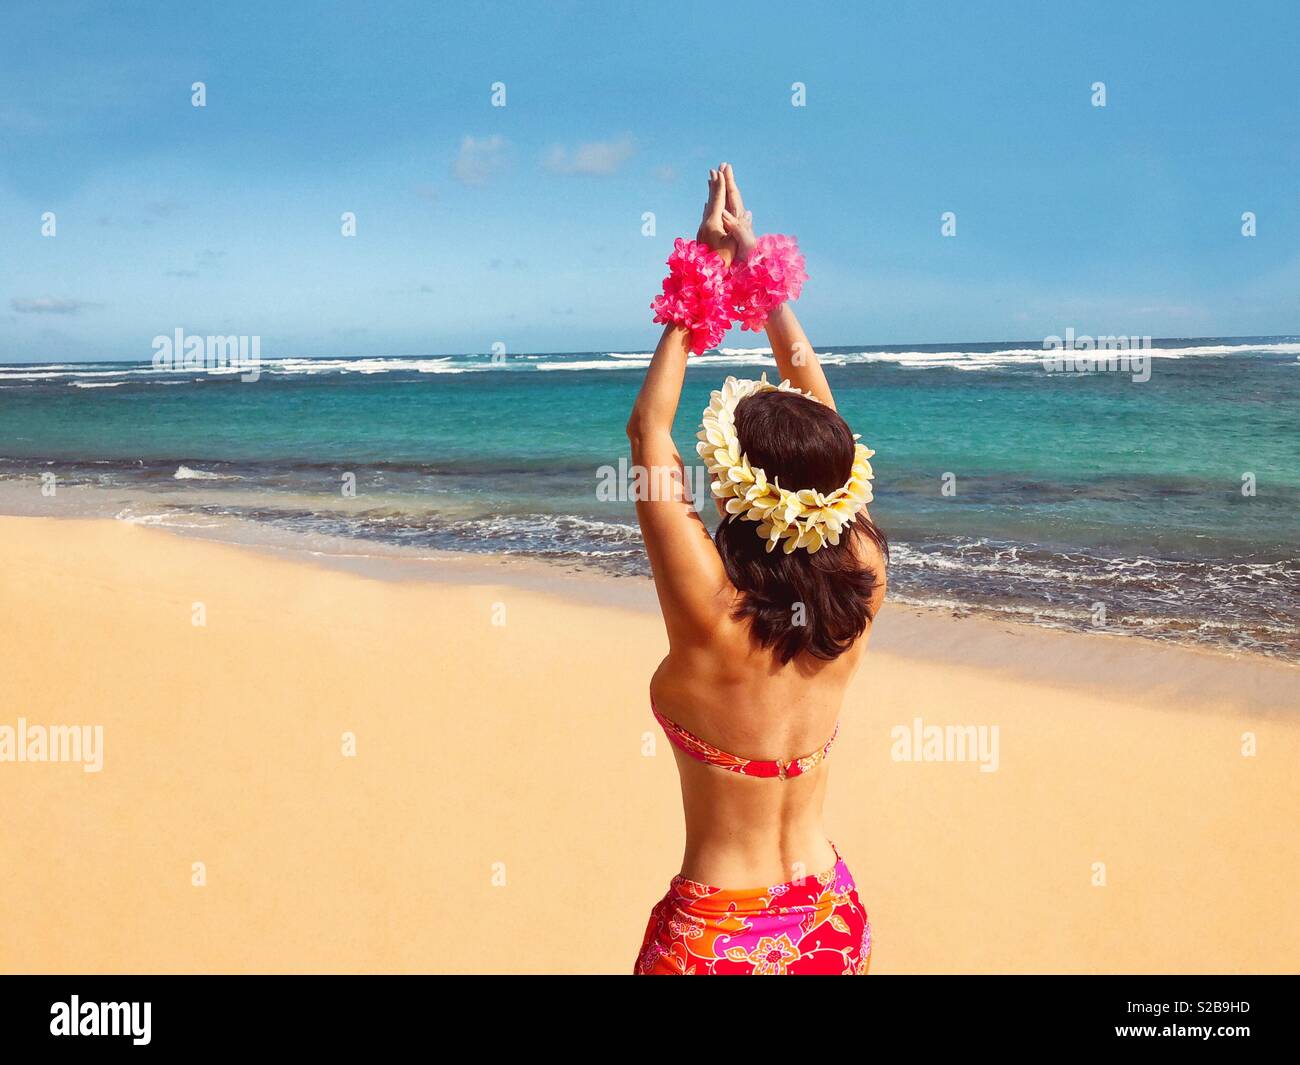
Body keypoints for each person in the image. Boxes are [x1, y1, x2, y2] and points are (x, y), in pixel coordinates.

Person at [627, 163, 888, 975]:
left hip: (715, 940)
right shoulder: (864, 581)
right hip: (830, 920)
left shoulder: (709, 610)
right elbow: (828, 432)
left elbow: (648, 432)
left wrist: (704, 266)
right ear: (837, 494)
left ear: (736, 483)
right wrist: (759, 270)